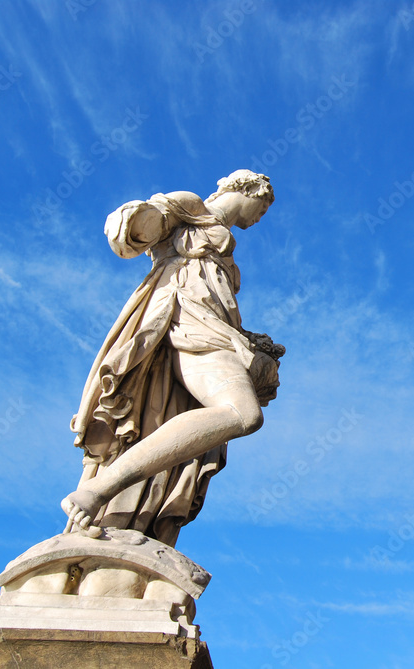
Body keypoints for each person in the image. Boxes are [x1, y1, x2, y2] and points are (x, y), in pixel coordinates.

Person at [62, 169, 283, 545]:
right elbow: (134, 229)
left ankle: (128, 516)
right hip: (181, 324)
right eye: (262, 207)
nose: (260, 217)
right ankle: (97, 492)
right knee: (243, 414)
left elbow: (216, 300)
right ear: (249, 190)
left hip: (210, 330)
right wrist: (141, 221)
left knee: (185, 428)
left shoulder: (227, 252)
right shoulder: (192, 206)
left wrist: (249, 341)